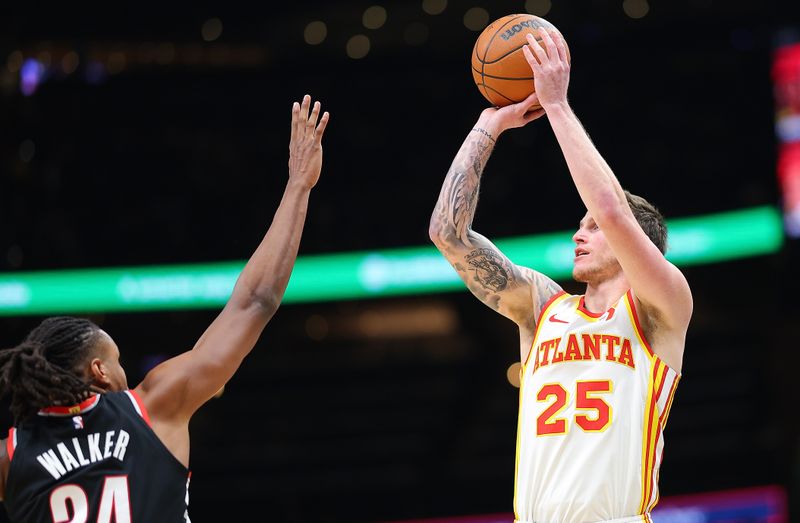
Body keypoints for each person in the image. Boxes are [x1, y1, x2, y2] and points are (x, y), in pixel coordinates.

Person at [0, 95, 329, 522]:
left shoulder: (12, 454)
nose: (125, 374)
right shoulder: (152, 405)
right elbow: (255, 301)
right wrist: (298, 186)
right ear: (99, 372)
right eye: (116, 362)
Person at [429, 28, 692, 523]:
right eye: (579, 225)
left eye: (589, 226)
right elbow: (447, 233)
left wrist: (557, 106)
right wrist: (487, 127)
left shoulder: (662, 305)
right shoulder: (542, 306)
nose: (579, 234)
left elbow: (613, 210)